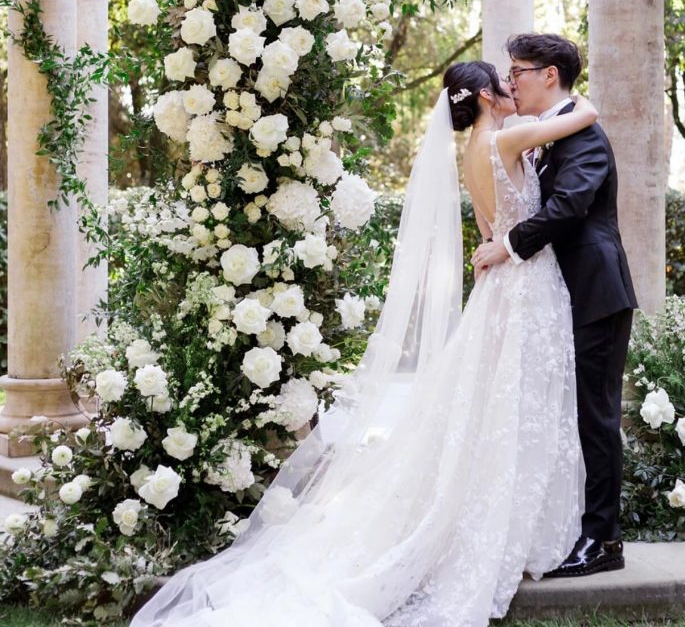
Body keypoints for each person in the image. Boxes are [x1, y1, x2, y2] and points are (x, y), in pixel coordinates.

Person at [132, 61, 598, 627]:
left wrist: (501, 243)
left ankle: (505, 524)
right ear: (483, 95)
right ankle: (520, 531)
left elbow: (488, 224)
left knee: (496, 405)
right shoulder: (506, 136)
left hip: (503, 280)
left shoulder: (471, 151)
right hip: (528, 284)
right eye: (503, 82)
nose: (510, 87)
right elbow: (588, 113)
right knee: (521, 402)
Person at [472, 34, 638, 578]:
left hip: (595, 291)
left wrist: (510, 243)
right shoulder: (542, 135)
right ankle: (568, 527)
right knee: (566, 411)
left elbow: (570, 206)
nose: (510, 79)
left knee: (595, 414)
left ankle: (603, 542)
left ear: (549, 75)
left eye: (518, 70)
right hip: (554, 295)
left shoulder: (584, 134)